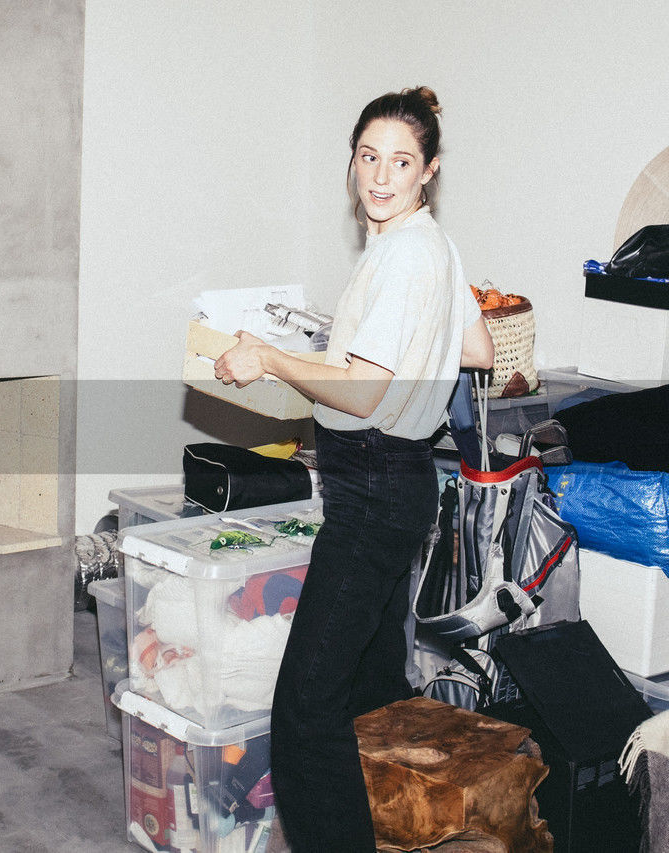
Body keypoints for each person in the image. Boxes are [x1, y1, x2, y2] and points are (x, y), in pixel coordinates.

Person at [213, 86, 495, 851]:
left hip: (370, 490)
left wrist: (270, 356)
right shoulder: (436, 245)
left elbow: (367, 390)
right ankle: (396, 827)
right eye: (368, 157)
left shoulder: (404, 256)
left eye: (400, 161)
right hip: (402, 486)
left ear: (427, 170)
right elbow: (478, 351)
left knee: (305, 710)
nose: (379, 176)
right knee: (371, 688)